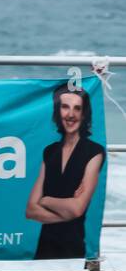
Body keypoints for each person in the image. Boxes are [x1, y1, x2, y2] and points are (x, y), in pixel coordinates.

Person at [27, 85, 105, 259]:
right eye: (65, 107)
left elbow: (77, 209)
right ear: (57, 111)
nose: (71, 114)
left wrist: (45, 199)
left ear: (84, 114)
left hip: (74, 247)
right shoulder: (49, 151)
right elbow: (31, 210)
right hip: (44, 247)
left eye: (77, 108)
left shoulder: (94, 152)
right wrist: (65, 209)